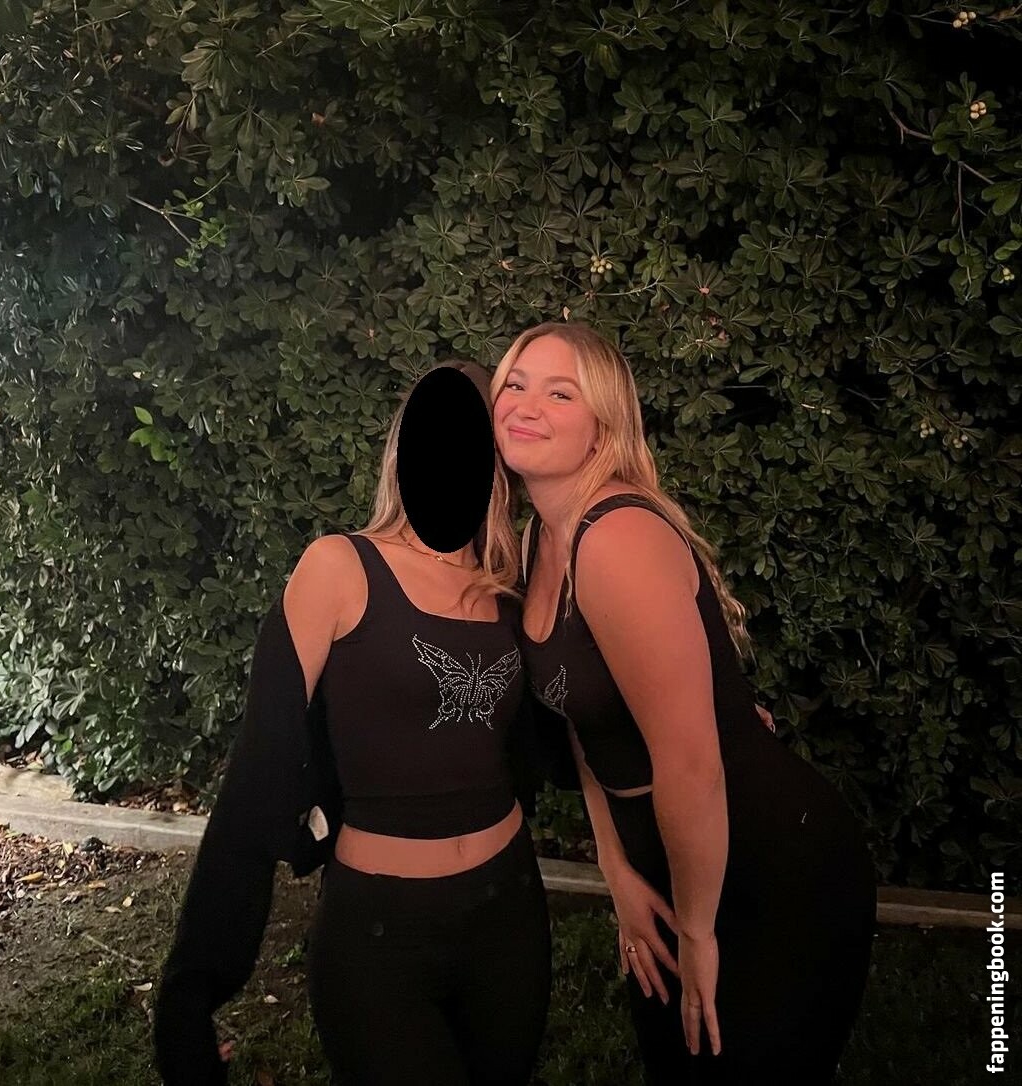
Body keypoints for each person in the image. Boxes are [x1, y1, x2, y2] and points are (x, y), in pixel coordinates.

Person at [491, 321, 875, 1085]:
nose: (526, 405)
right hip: (666, 855)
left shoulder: (616, 539)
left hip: (763, 859)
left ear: (603, 427)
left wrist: (698, 931)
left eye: (560, 393)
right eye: (515, 384)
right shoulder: (539, 539)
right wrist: (617, 869)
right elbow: (581, 723)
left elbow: (691, 764)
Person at [154, 361, 551, 1086]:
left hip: (511, 915)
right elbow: (260, 768)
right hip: (378, 937)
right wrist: (190, 995)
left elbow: (564, 724)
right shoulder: (340, 568)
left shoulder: (508, 588)